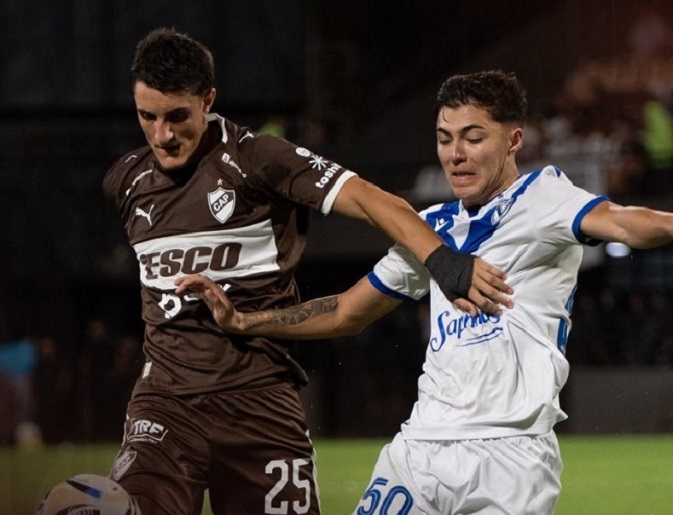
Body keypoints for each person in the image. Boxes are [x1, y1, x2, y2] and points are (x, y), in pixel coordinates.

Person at [177, 70, 673, 514]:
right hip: (420, 448)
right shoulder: (430, 229)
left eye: (472, 137)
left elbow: (619, 220)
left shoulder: (546, 197)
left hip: (511, 458)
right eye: (444, 138)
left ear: (513, 140)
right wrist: (248, 321)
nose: (455, 153)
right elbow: (348, 311)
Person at [102, 28, 512, 514]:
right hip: (164, 404)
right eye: (147, 116)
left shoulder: (258, 159)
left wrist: (444, 262)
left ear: (208, 100)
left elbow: (370, 199)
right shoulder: (125, 181)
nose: (162, 134)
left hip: (259, 402)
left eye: (177, 116)